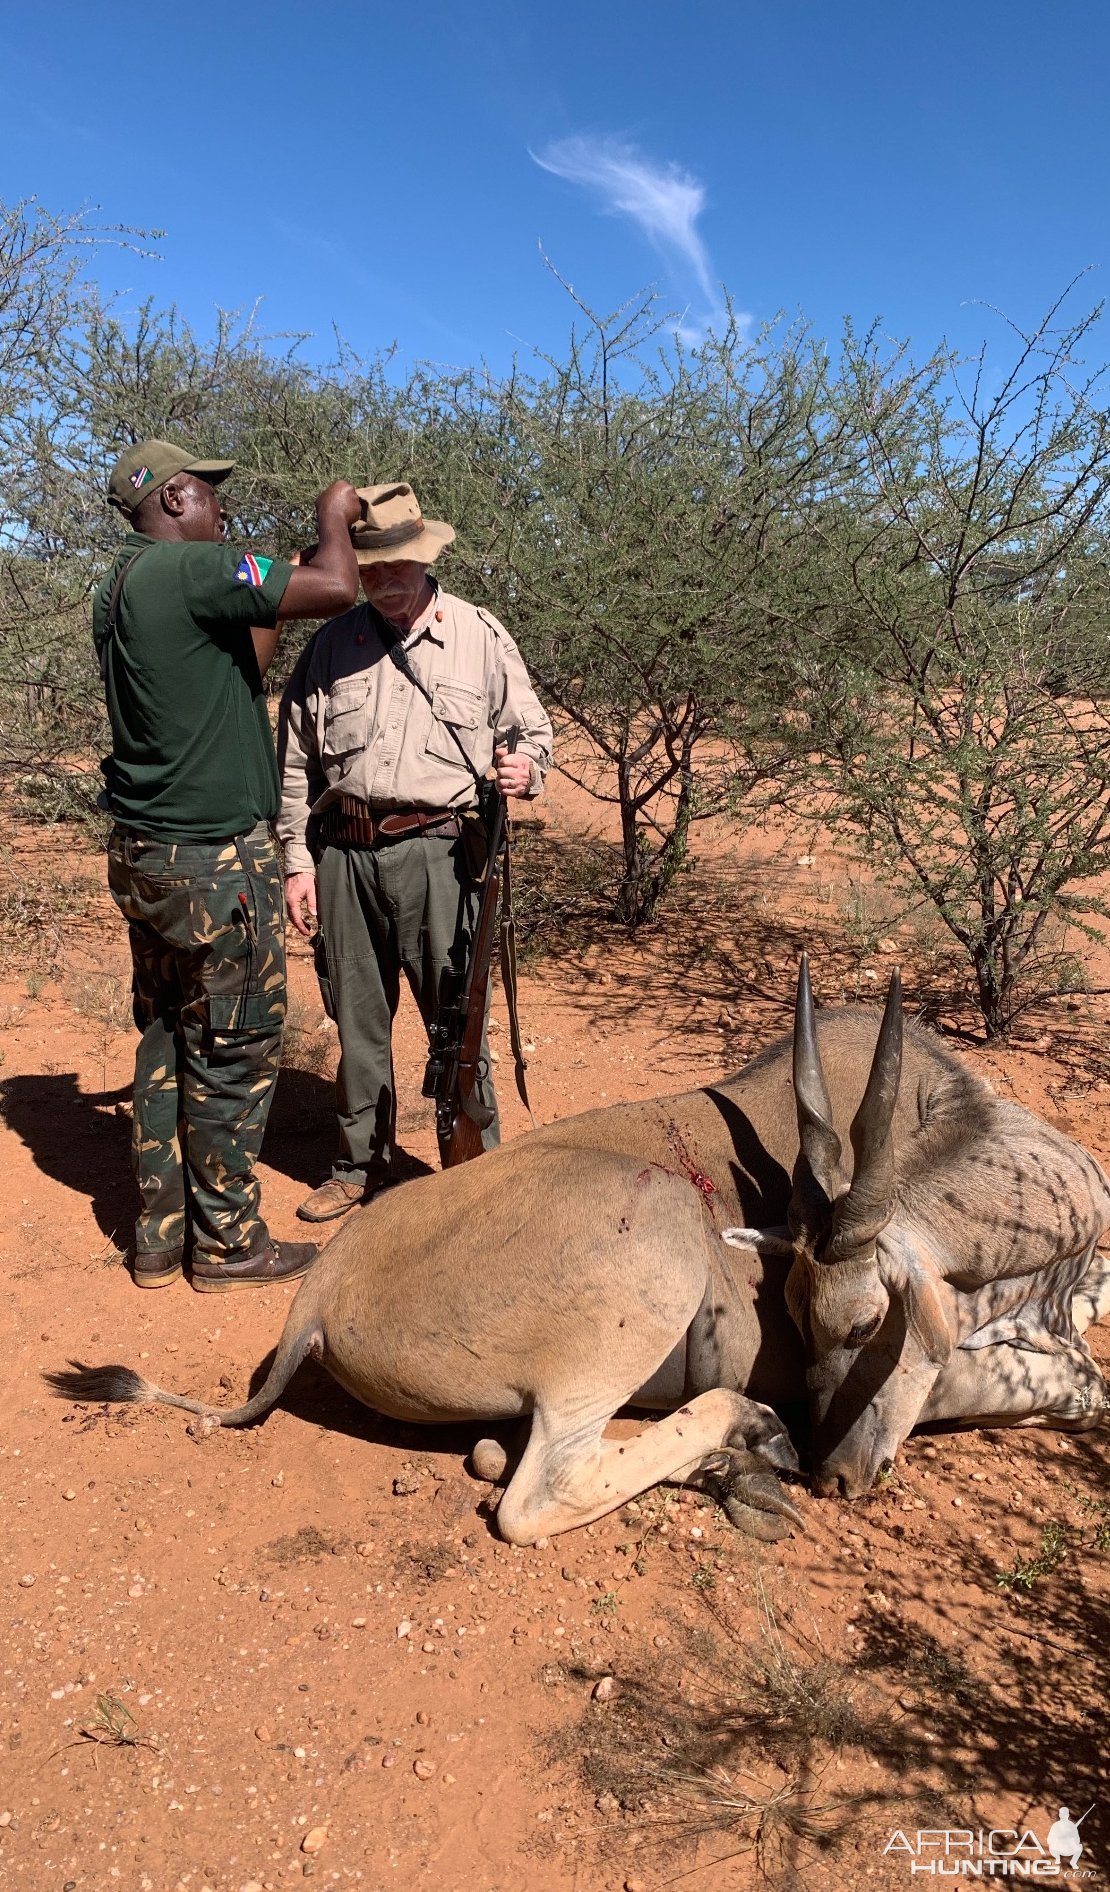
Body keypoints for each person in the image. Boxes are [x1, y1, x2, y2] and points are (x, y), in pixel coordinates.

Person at [94, 437, 361, 1289]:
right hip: (216, 862)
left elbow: (240, 663)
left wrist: (266, 593)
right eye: (209, 496)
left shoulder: (121, 587)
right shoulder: (197, 568)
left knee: (168, 1033)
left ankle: (161, 1235)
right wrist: (332, 518)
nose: (220, 511)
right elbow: (340, 588)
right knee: (236, 1049)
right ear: (174, 499)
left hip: (148, 858)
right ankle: (231, 1245)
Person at [277, 479, 553, 1222]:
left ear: (426, 559)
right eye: (369, 570)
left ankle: (474, 1171)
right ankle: (357, 1163)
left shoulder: (479, 635)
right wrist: (299, 866)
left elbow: (533, 733)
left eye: (397, 566)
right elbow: (295, 765)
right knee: (357, 1024)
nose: (384, 582)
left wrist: (527, 771)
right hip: (343, 860)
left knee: (455, 1021)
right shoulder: (331, 645)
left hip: (440, 857)